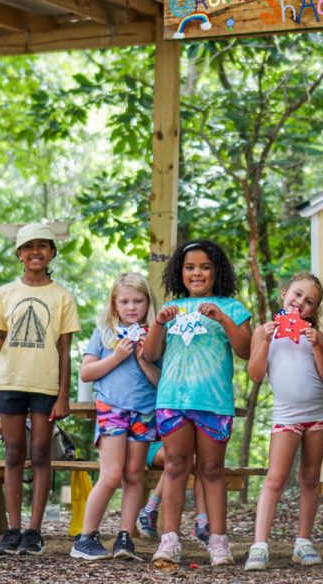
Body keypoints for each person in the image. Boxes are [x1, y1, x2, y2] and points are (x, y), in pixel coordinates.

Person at [0, 222, 79, 556]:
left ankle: (34, 531)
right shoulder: (5, 294)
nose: (35, 252)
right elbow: (2, 342)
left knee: (41, 452)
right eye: (28, 247)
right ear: (19, 254)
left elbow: (65, 349)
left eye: (43, 246)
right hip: (10, 381)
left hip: (45, 384)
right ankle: (12, 530)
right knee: (13, 453)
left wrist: (64, 394)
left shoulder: (62, 297)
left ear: (52, 253)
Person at [140, 240, 252, 567]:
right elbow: (150, 355)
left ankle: (218, 543)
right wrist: (159, 323)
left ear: (217, 270)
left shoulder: (231, 307)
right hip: (173, 399)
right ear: (180, 272)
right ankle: (169, 541)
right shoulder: (171, 310)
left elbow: (245, 350)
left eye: (204, 266)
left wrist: (222, 319)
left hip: (213, 402)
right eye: (190, 267)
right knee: (175, 466)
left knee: (212, 470)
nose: (197, 273)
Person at [244, 273, 323, 571]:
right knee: (275, 478)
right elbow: (255, 375)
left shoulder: (315, 335)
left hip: (318, 414)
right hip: (286, 416)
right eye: (296, 295)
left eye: (309, 302)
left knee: (310, 477)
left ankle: (303, 542)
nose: (300, 304)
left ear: (314, 309)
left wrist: (319, 346)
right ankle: (259, 545)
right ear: (284, 293)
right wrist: (267, 341)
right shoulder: (263, 331)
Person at [71, 272, 161, 560]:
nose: (132, 307)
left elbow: (162, 381)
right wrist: (117, 356)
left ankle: (125, 537)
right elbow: (86, 373)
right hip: (112, 409)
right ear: (114, 304)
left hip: (144, 411)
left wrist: (142, 357)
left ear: (148, 303)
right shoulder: (105, 333)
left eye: (138, 301)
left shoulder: (156, 337)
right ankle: (85, 538)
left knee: (134, 475)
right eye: (125, 301)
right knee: (110, 475)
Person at [137, 442, 210, 544]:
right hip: (153, 445)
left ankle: (202, 524)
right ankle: (150, 508)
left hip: (183, 451)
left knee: (201, 465)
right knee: (181, 459)